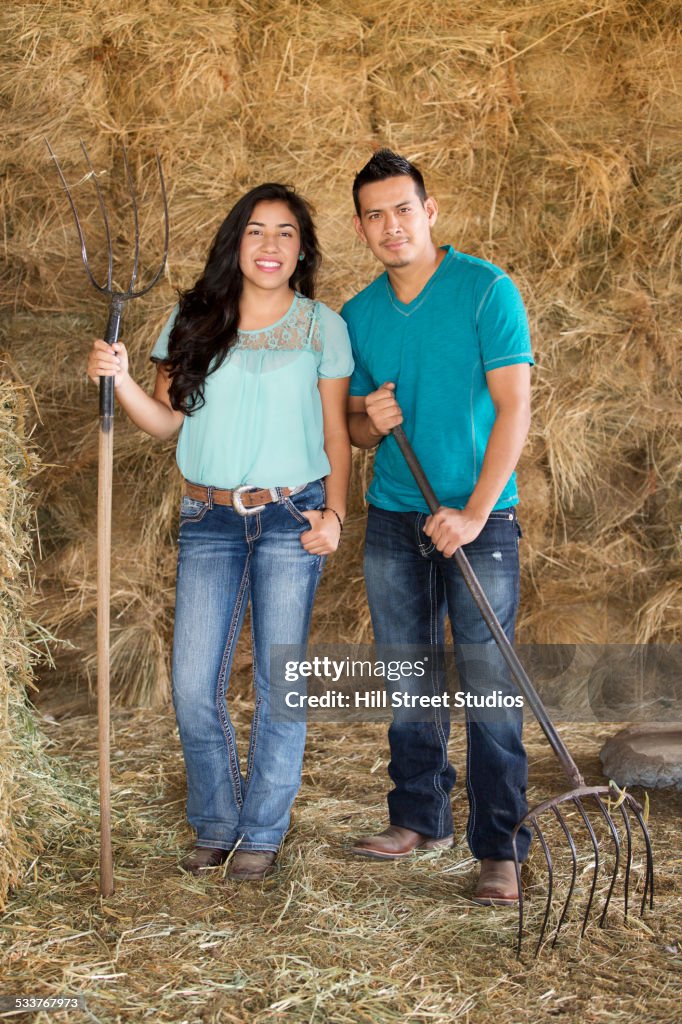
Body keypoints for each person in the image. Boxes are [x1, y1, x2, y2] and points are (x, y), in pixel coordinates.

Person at [88, 183, 353, 881]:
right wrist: (119, 382)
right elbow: (169, 421)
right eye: (257, 231)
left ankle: (261, 832)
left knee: (277, 684)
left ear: (303, 249)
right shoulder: (192, 317)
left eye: (286, 233)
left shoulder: (321, 326)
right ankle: (215, 822)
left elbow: (336, 433)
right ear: (236, 242)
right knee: (190, 683)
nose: (271, 246)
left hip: (290, 515)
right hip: (207, 518)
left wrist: (335, 514)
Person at [342, 150, 533, 903]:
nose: (392, 226)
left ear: (430, 210)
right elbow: (356, 430)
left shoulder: (486, 290)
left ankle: (500, 846)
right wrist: (369, 419)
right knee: (408, 679)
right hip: (396, 515)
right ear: (361, 228)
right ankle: (421, 817)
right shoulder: (357, 315)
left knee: (488, 687)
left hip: (480, 519)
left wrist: (477, 511)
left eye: (403, 209)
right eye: (375, 215)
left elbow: (515, 407)